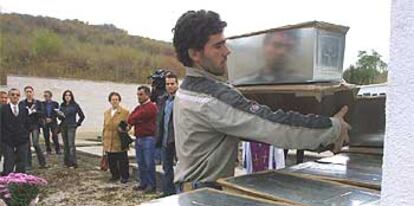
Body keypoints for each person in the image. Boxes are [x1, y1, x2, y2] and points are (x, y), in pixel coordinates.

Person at [172, 10, 350, 192]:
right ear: (195, 54)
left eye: (225, 43)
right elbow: (272, 127)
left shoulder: (187, 89)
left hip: (189, 190)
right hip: (204, 196)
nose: (227, 51)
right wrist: (332, 127)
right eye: (218, 46)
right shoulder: (212, 99)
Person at [128, 85, 158, 194]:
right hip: (139, 137)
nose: (139, 97)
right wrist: (136, 120)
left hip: (148, 138)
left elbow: (139, 117)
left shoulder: (151, 107)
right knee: (141, 162)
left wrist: (136, 120)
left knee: (149, 162)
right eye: (138, 95)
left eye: (141, 95)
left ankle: (151, 185)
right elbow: (130, 118)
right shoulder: (138, 107)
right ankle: (143, 183)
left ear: (147, 95)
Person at [156, 72, 178, 195]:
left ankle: (180, 193)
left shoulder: (181, 100)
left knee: (180, 168)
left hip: (176, 140)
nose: (170, 86)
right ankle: (168, 192)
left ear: (177, 84)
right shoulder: (162, 100)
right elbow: (159, 120)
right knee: (166, 168)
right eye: (167, 84)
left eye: (172, 84)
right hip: (164, 140)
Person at [102, 92, 130, 183]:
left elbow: (128, 125)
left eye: (116, 100)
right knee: (111, 159)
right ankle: (114, 175)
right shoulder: (106, 113)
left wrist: (125, 129)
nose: (114, 102)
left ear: (119, 101)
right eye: (113, 100)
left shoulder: (125, 112)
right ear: (110, 101)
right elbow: (104, 126)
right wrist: (103, 140)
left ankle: (125, 176)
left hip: (119, 139)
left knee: (122, 159)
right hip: (108, 138)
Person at [1, 89, 30, 175]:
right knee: (9, 161)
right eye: (13, 94)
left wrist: (26, 136)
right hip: (7, 140)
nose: (15, 96)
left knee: (21, 162)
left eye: (17, 95)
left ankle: (19, 182)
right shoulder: (3, 109)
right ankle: (7, 181)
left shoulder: (24, 109)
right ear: (9, 96)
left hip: (21, 140)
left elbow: (27, 124)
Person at [19, 85, 47, 169]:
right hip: (26, 126)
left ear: (33, 93)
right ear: (25, 93)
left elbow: (43, 113)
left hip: (35, 125)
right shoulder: (22, 103)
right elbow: (20, 114)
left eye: (30, 91)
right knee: (27, 145)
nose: (29, 93)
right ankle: (28, 164)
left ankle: (42, 163)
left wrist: (35, 111)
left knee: (35, 143)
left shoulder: (38, 103)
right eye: (27, 92)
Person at [58, 90, 85, 168]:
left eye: (69, 95)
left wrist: (77, 124)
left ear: (71, 97)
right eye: (66, 95)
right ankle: (67, 162)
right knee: (65, 145)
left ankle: (73, 163)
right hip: (63, 126)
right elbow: (60, 118)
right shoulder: (62, 105)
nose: (67, 96)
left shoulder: (75, 105)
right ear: (64, 97)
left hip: (71, 126)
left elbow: (82, 116)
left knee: (71, 144)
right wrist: (59, 115)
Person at [42, 90, 61, 154]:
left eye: (46, 96)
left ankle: (57, 149)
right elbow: (41, 112)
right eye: (44, 96)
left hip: (53, 121)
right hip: (45, 121)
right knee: (46, 136)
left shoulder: (55, 104)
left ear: (50, 96)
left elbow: (56, 112)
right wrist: (45, 118)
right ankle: (48, 150)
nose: (45, 97)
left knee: (55, 135)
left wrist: (51, 119)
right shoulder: (42, 104)